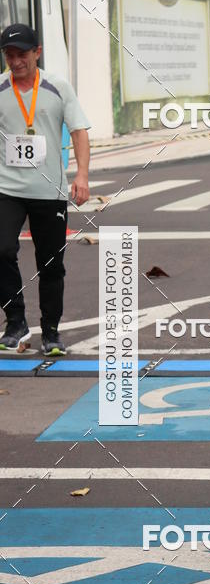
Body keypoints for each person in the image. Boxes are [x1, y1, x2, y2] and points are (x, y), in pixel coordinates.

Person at [0, 23, 90, 355]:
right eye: (9, 55)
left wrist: (82, 175)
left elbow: (79, 130)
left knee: (50, 264)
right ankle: (16, 323)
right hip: (6, 188)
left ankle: (51, 332)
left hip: (49, 190)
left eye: (21, 54)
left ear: (37, 52)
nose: (15, 61)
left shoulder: (58, 87)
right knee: (1, 250)